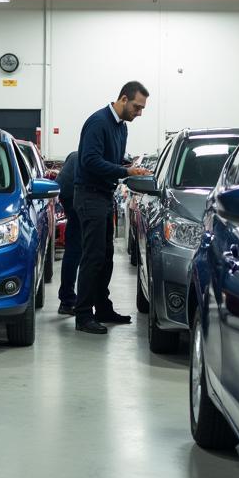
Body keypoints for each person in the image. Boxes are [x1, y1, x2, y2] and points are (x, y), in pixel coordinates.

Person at [73, 82, 150, 335]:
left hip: (104, 197)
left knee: (105, 258)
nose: (139, 113)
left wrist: (130, 165)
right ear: (124, 99)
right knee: (92, 257)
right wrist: (125, 171)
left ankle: (102, 308)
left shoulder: (121, 127)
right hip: (89, 196)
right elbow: (90, 161)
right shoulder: (98, 122)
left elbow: (114, 160)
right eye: (137, 107)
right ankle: (83, 315)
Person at [55, 151, 81, 316]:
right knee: (79, 251)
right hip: (78, 197)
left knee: (73, 250)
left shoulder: (73, 155)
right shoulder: (97, 157)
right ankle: (69, 300)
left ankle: (67, 300)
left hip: (67, 195)